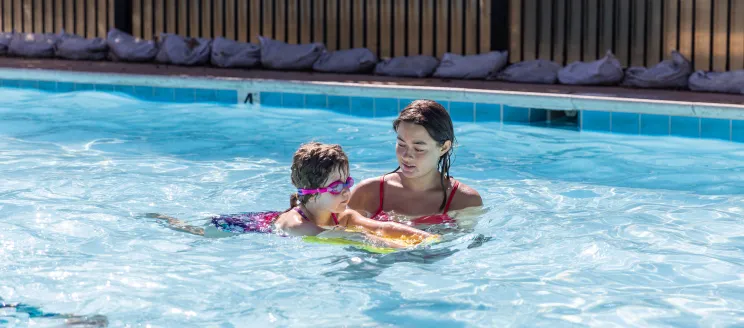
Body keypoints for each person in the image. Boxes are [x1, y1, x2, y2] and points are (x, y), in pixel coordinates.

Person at [149, 142, 435, 248]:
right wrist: (409, 250)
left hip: (264, 219)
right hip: (236, 229)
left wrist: (429, 239)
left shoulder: (337, 212)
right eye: (337, 186)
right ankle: (163, 220)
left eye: (348, 180)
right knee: (195, 232)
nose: (348, 189)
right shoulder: (300, 226)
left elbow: (381, 227)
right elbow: (358, 238)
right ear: (310, 194)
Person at [349, 99, 483, 225]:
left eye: (419, 149)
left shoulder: (464, 201)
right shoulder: (368, 193)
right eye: (401, 144)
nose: (406, 156)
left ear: (444, 147)